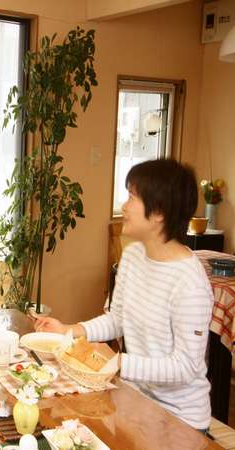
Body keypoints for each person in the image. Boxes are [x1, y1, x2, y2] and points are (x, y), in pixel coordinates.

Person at [35, 159, 213, 431]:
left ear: (159, 213)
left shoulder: (190, 282)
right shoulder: (132, 256)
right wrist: (67, 331)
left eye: (132, 197)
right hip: (135, 401)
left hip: (180, 420)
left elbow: (185, 367)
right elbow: (117, 319)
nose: (124, 206)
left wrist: (117, 363)